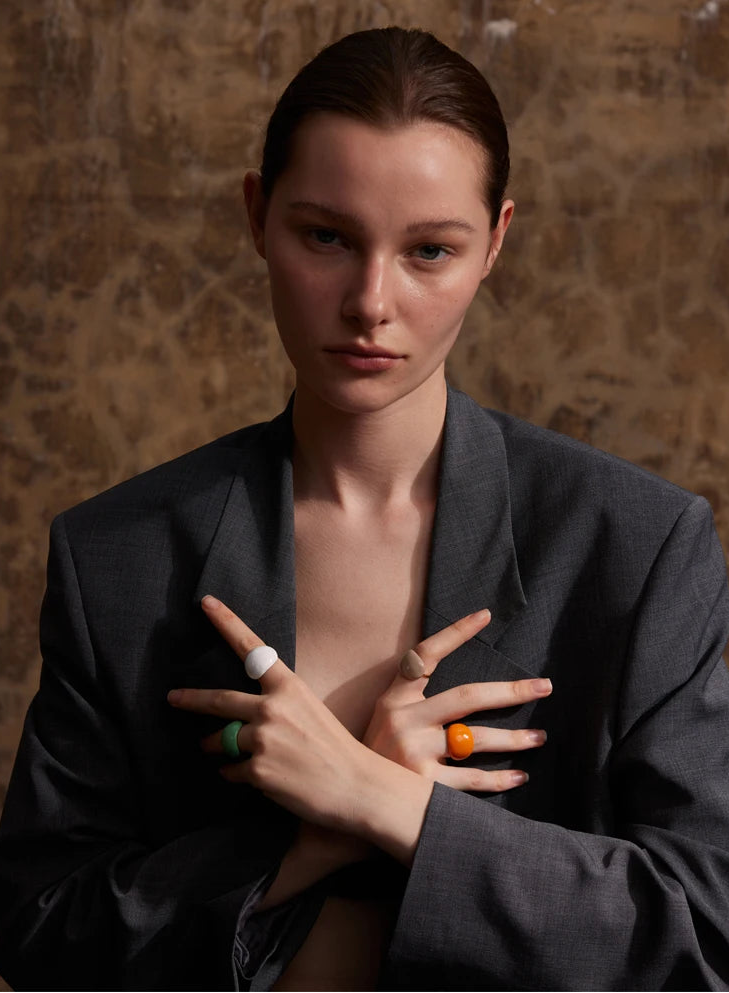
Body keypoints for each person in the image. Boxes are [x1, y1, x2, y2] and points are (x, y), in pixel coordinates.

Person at [1, 25, 729, 992]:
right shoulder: (118, 555)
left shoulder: (636, 546)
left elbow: (703, 924)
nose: (370, 302)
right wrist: (306, 838)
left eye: (429, 249)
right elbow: (39, 929)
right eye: (327, 238)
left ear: (495, 243)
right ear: (258, 217)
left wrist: (387, 802)